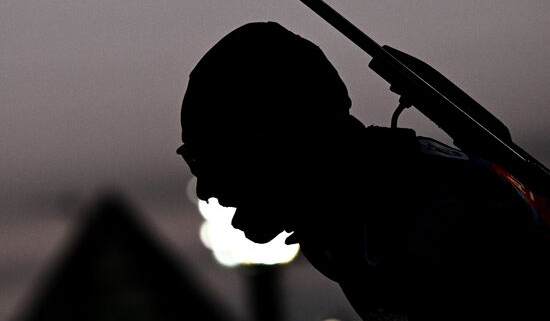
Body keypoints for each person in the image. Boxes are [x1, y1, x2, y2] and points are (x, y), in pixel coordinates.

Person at [177, 21, 550, 320]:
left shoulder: (438, 215)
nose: (207, 190)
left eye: (212, 159)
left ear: (277, 142)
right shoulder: (343, 229)